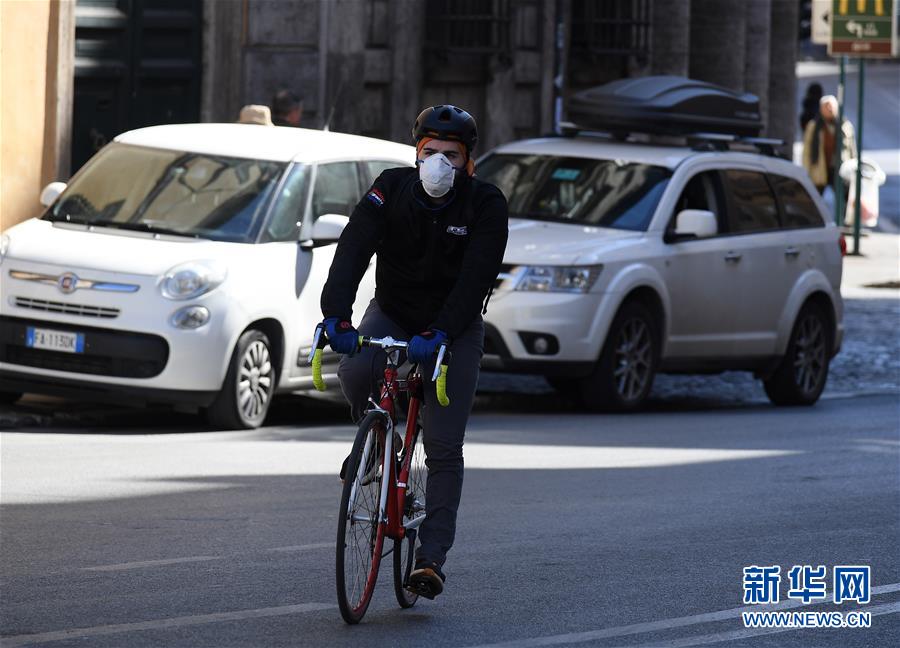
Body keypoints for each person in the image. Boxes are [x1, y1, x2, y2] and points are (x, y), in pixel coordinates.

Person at [320, 105, 508, 600]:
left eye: (451, 155)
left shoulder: (486, 204)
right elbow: (354, 245)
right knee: (357, 369)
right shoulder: (391, 187)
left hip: (454, 328)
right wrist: (336, 314)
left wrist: (444, 330)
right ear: (415, 155)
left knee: (444, 444)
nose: (439, 164)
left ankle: (431, 557)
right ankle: (378, 444)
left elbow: (477, 277)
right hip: (395, 312)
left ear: (469, 163)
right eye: (430, 153)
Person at [802, 95, 856, 195]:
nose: (829, 109)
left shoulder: (845, 126)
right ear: (821, 109)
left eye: (831, 106)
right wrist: (806, 170)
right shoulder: (813, 126)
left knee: (844, 197)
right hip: (819, 166)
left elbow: (852, 149)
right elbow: (807, 150)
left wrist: (853, 167)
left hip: (839, 167)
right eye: (826, 107)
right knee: (815, 197)